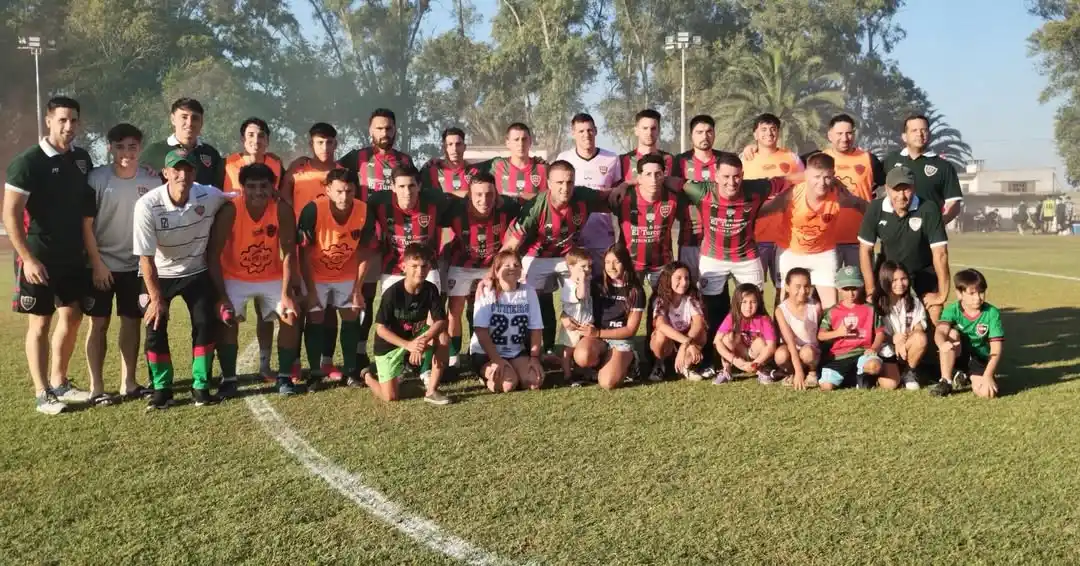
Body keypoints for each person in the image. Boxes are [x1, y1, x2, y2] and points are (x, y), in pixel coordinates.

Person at [4, 96, 96, 414]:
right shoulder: (28, 162)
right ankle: (42, 393)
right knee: (40, 325)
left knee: (71, 317)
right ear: (48, 121)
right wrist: (28, 259)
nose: (68, 126)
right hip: (38, 258)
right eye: (62, 120)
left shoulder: (82, 159)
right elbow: (10, 214)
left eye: (73, 120)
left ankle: (60, 382)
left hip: (72, 257)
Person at [134, 149, 230, 409]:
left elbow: (234, 199)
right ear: (165, 173)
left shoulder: (207, 194)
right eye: (176, 169)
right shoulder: (147, 205)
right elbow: (145, 258)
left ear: (194, 173)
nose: (182, 175)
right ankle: (162, 390)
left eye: (187, 169)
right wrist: (155, 299)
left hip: (195, 271)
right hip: (158, 273)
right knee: (155, 325)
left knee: (205, 322)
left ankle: (201, 387)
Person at [207, 163, 301, 396]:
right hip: (234, 275)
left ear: (272, 187)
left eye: (263, 186)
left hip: (270, 275)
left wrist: (287, 293)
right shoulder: (231, 210)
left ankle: (285, 377)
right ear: (242, 187)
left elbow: (289, 252)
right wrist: (222, 296)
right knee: (228, 319)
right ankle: (229, 378)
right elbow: (213, 253)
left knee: (290, 314)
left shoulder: (281, 209)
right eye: (251, 186)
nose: (258, 191)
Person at [82, 123, 160, 404]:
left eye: (132, 146)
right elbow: (86, 225)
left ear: (140, 148)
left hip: (135, 266)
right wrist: (97, 263)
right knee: (98, 324)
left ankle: (129, 382)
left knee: (131, 323)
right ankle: (97, 387)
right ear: (109, 148)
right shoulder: (96, 178)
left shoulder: (152, 181)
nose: (126, 152)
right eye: (119, 146)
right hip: (101, 265)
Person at [500, 160, 611, 354]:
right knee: (530, 301)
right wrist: (495, 273)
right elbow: (512, 245)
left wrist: (629, 185)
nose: (565, 188)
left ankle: (580, 349)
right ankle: (529, 349)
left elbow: (613, 197)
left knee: (582, 296)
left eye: (569, 182)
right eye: (559, 183)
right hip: (536, 256)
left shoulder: (583, 196)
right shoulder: (536, 206)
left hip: (567, 256)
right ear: (549, 184)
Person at [337, 108, 414, 364]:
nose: (384, 133)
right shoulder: (354, 158)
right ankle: (359, 352)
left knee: (399, 299)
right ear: (370, 130)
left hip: (396, 242)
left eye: (389, 128)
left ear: (395, 130)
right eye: (379, 128)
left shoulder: (405, 160)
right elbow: (335, 183)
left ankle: (402, 351)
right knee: (365, 298)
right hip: (366, 242)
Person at [757, 152, 868, 308]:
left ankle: (826, 332)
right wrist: (742, 213)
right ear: (807, 175)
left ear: (833, 175)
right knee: (784, 303)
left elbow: (865, 207)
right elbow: (766, 209)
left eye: (827, 177)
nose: (821, 183)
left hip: (823, 254)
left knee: (831, 306)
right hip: (791, 252)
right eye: (816, 177)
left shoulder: (839, 194)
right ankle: (781, 332)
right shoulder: (792, 194)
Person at [222, 117, 285, 380]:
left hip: (265, 247)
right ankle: (229, 373)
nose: (255, 140)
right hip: (234, 249)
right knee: (229, 319)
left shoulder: (276, 164)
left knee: (266, 314)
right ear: (242, 140)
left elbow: (279, 198)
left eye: (260, 136)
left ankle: (264, 364)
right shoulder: (228, 165)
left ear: (267, 140)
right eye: (250, 135)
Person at [296, 168, 373, 383]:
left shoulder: (364, 210)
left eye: (349, 191)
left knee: (351, 315)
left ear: (355, 190)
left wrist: (357, 290)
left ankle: (350, 371)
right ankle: (315, 372)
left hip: (346, 273)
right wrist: (311, 291)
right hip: (316, 274)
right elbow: (303, 253)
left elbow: (365, 251)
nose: (344, 197)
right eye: (339, 191)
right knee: (315, 316)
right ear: (328, 190)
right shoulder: (312, 210)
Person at [281, 122, 341, 377]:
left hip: (331, 251)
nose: (324, 147)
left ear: (336, 144)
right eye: (319, 142)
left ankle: (326, 361)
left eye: (329, 142)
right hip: (299, 249)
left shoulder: (342, 172)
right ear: (311, 144)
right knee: (298, 306)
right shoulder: (297, 169)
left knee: (328, 309)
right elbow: (282, 202)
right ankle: (294, 362)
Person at [441, 172, 520, 366]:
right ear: (469, 195)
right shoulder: (455, 208)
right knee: (455, 309)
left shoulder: (508, 207)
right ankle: (453, 357)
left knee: (492, 308)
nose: (484, 200)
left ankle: (484, 350)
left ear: (496, 194)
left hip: (492, 265)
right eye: (478, 195)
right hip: (462, 263)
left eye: (489, 194)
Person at [857, 166, 950, 323]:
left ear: (914, 188)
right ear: (887, 189)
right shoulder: (875, 208)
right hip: (888, 275)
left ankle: (934, 345)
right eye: (896, 190)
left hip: (923, 273)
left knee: (935, 313)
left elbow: (940, 253)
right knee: (875, 317)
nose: (901, 196)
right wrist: (870, 288)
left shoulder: (929, 208)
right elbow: (865, 250)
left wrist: (942, 293)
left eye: (906, 189)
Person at [362, 244, 452, 405]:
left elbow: (440, 321)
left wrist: (421, 341)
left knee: (444, 338)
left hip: (416, 337)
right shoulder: (392, 293)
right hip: (390, 343)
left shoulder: (430, 289)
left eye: (424, 266)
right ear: (403, 267)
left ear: (429, 267)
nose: (420, 271)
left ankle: (431, 391)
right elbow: (380, 329)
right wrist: (409, 345)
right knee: (390, 397)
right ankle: (368, 377)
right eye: (414, 266)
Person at [739, 113, 805, 294]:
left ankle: (779, 322)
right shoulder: (745, 159)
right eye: (764, 129)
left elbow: (806, 183)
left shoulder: (791, 158)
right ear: (755, 134)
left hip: (786, 238)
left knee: (784, 290)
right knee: (752, 291)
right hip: (755, 237)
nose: (769, 133)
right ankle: (756, 323)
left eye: (773, 129)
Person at [469, 250, 545, 393]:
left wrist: (534, 358)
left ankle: (513, 369)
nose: (512, 268)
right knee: (507, 385)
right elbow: (481, 331)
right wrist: (496, 359)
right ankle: (483, 373)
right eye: (506, 265)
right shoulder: (488, 291)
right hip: (486, 353)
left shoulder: (528, 291)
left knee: (534, 381)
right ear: (496, 272)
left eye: (516, 265)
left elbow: (536, 328)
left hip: (516, 351)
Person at [556, 113, 622, 270]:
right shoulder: (564, 158)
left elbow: (618, 197)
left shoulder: (612, 158)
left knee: (602, 284)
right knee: (576, 286)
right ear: (573, 133)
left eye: (590, 130)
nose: (586, 135)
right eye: (581, 131)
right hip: (572, 235)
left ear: (596, 131)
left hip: (602, 234)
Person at [611, 154, 683, 288]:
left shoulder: (673, 198)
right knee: (631, 304)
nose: (653, 179)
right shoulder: (624, 197)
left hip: (662, 263)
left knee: (662, 304)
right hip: (631, 263)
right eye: (648, 174)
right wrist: (624, 184)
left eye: (658, 174)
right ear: (639, 178)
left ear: (664, 176)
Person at [932, 269, 1004, 398]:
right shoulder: (952, 309)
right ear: (959, 294)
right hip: (959, 353)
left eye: (981, 292)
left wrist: (987, 376)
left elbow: (996, 349)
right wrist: (942, 344)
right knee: (952, 334)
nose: (977, 298)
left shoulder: (992, 313)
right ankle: (946, 381)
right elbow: (940, 330)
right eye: (971, 293)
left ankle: (964, 376)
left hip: (979, 359)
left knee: (987, 393)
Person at [882, 115, 963, 224]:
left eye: (923, 130)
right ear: (904, 136)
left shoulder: (944, 166)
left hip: (928, 236)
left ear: (929, 134)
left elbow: (954, 203)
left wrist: (939, 224)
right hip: (895, 232)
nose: (919, 134)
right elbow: (869, 185)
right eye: (914, 130)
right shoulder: (890, 160)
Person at [816, 266, 885, 391]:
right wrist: (838, 332)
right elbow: (821, 335)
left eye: (854, 288)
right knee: (826, 386)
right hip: (839, 356)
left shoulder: (870, 309)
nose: (851, 293)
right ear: (838, 288)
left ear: (862, 286)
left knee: (874, 366)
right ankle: (854, 377)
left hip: (863, 353)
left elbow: (880, 332)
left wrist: (874, 348)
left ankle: (861, 374)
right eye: (846, 289)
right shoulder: (832, 311)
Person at [587, 245, 646, 390]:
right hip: (598, 339)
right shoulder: (597, 283)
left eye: (616, 262)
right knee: (583, 356)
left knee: (607, 383)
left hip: (620, 339)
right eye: (607, 262)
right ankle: (607, 359)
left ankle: (631, 360)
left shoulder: (635, 290)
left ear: (625, 263)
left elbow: (630, 330)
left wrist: (599, 333)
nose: (611, 267)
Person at [674, 114, 722, 279]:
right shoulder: (679, 161)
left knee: (716, 292)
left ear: (714, 134)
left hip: (719, 238)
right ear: (691, 136)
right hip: (690, 237)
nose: (705, 136)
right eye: (699, 132)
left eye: (709, 131)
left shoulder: (725, 160)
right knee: (688, 287)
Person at [141, 98, 224, 187]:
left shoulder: (211, 153)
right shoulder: (154, 152)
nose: (189, 123)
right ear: (173, 119)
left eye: (195, 118)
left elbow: (220, 188)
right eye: (184, 117)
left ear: (201, 122)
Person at [872, 260, 928, 391]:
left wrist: (902, 340)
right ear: (885, 280)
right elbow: (873, 334)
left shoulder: (913, 301)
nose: (900, 284)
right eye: (894, 280)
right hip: (884, 349)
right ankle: (877, 372)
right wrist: (893, 340)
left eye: (903, 279)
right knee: (890, 385)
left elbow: (919, 326)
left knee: (920, 338)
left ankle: (909, 372)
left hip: (905, 345)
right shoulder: (876, 303)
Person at [648, 262, 707, 382]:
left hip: (687, 337)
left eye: (687, 278)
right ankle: (659, 364)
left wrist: (684, 346)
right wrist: (687, 343)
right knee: (660, 334)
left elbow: (698, 323)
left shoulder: (692, 297)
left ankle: (687, 366)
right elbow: (661, 325)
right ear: (668, 280)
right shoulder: (660, 299)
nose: (684, 282)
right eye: (678, 278)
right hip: (671, 341)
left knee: (701, 334)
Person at [714, 283, 778, 385]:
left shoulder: (764, 319)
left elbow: (771, 346)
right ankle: (727, 370)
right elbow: (716, 341)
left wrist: (755, 363)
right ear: (737, 303)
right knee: (727, 338)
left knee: (761, 342)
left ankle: (762, 369)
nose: (748, 306)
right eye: (744, 302)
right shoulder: (732, 317)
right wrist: (736, 362)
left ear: (759, 303)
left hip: (756, 356)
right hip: (739, 354)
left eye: (753, 302)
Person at [469, 122, 548, 198]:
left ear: (530, 141)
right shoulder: (497, 165)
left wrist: (532, 197)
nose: (521, 144)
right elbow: (466, 169)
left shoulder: (543, 168)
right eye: (516, 139)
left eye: (524, 139)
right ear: (507, 143)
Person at [773, 268, 821, 390]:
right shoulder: (780, 310)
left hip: (810, 350)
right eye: (797, 287)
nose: (802, 291)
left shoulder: (815, 306)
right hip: (792, 348)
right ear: (787, 287)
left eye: (806, 286)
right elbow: (790, 342)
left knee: (808, 353)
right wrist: (798, 371)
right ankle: (792, 372)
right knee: (780, 356)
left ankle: (812, 372)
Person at [557, 248, 598, 386]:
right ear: (571, 267)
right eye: (583, 266)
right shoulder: (568, 285)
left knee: (586, 348)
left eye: (589, 266)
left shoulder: (589, 281)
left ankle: (585, 371)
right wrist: (582, 280)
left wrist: (585, 280)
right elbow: (580, 295)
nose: (587, 270)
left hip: (586, 322)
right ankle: (568, 375)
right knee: (568, 351)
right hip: (573, 325)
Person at [617, 109, 675, 185]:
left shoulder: (670, 159)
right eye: (645, 128)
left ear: (659, 131)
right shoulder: (622, 160)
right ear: (636, 131)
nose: (649, 133)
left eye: (653, 128)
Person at [419, 127, 470, 195]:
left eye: (458, 144)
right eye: (450, 144)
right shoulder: (431, 170)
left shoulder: (474, 172)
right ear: (444, 148)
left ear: (464, 147)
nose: (454, 149)